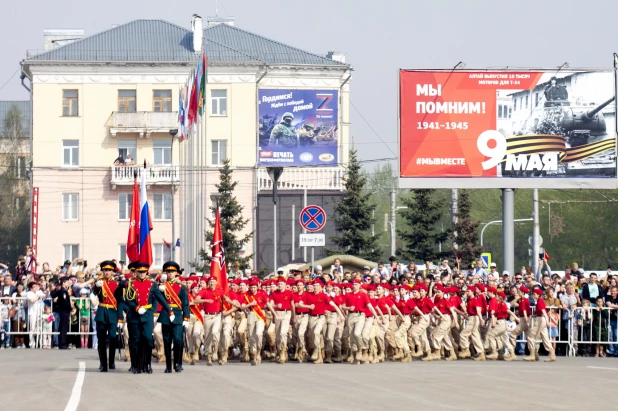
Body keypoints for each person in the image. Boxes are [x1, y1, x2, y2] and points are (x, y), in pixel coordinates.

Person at [121, 262, 172, 374]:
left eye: (144, 272)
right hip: (134, 315)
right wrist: (136, 308)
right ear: (136, 272)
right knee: (135, 340)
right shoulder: (130, 284)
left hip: (147, 314)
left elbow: (160, 298)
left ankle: (147, 364)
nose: (142, 274)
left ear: (147, 272)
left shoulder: (152, 284)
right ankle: (136, 365)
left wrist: (169, 310)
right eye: (140, 272)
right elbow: (127, 299)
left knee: (148, 340)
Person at [88, 261, 124, 372]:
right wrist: (97, 287)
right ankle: (103, 363)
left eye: (109, 270)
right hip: (102, 312)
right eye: (105, 270)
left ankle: (111, 361)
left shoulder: (117, 284)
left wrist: (120, 317)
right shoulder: (99, 283)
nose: (107, 272)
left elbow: (120, 302)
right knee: (101, 339)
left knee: (113, 338)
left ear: (113, 272)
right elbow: (94, 293)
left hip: (113, 313)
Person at [157, 261, 190, 373]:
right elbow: (158, 299)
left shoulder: (181, 286)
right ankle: (168, 366)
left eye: (172, 271)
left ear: (176, 273)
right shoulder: (162, 286)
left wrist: (186, 317)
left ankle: (178, 363)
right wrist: (159, 288)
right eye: (168, 271)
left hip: (177, 314)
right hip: (166, 314)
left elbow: (185, 303)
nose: (170, 273)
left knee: (178, 340)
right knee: (166, 340)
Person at [524, 288, 556, 362]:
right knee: (545, 338)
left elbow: (544, 311)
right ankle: (552, 354)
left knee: (530, 336)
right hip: (540, 319)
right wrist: (534, 316)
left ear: (539, 295)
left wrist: (547, 321)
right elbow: (540, 312)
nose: (533, 295)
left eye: (535, 294)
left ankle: (532, 354)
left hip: (541, 320)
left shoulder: (540, 301)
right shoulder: (539, 301)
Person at [51, 277, 72, 349]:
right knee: (63, 328)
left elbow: (53, 294)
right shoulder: (63, 291)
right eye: (67, 282)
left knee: (63, 327)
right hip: (64, 311)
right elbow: (66, 302)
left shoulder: (62, 291)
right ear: (63, 283)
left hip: (63, 311)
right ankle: (62, 344)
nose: (68, 283)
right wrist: (70, 308)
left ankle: (62, 343)